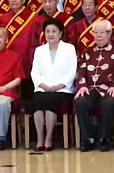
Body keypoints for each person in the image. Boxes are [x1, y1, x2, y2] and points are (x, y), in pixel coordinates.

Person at [74, 19, 114, 152]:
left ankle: (104, 139)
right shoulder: (88, 51)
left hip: (110, 87)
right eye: (96, 32)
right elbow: (81, 69)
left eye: (102, 32)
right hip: (91, 88)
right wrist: (82, 85)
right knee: (80, 102)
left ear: (109, 34)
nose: (98, 35)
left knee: (108, 103)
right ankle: (87, 139)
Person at [29, 19, 77, 151]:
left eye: (54, 31)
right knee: (38, 99)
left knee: (51, 100)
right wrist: (42, 85)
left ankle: (49, 138)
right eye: (47, 31)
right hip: (43, 88)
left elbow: (72, 71)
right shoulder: (39, 50)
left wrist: (59, 86)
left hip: (62, 89)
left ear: (60, 33)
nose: (50, 34)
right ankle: (40, 138)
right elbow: (34, 72)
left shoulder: (69, 49)